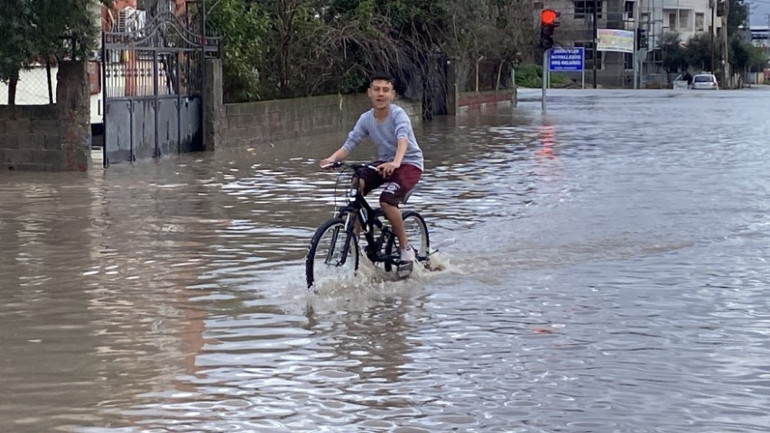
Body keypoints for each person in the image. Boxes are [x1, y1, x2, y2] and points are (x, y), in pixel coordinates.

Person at [320, 73, 424, 276]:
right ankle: (355, 242)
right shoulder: (366, 119)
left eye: (385, 90)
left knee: (387, 200)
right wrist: (332, 159)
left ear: (392, 94)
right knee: (356, 184)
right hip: (383, 163)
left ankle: (406, 249)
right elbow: (350, 143)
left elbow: (402, 139)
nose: (380, 94)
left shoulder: (398, 115)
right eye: (376, 89)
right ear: (369, 93)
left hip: (409, 163)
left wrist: (396, 162)